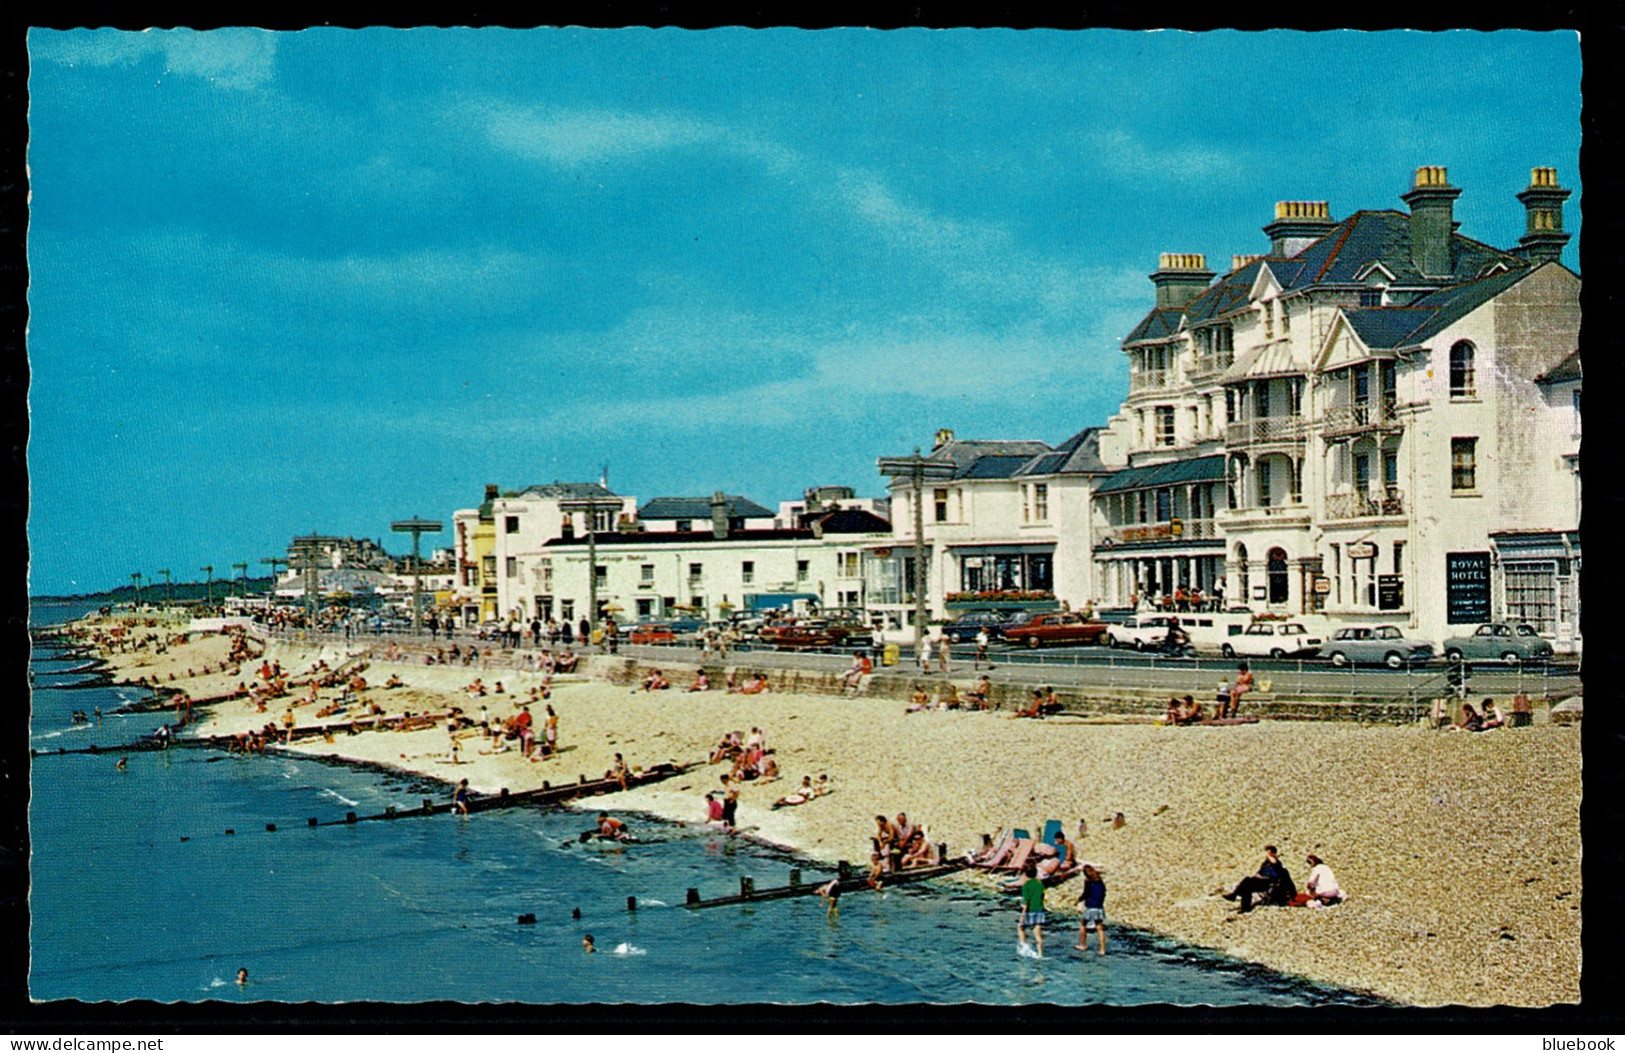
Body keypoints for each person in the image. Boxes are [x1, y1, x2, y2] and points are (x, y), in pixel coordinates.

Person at [1223, 845, 1297, 913]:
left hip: (1269, 882)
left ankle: (1234, 895)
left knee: (1247, 881)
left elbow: (1274, 863)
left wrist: (1270, 855)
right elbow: (1259, 872)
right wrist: (1257, 876)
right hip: (1261, 881)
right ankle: (1245, 907)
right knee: (1247, 885)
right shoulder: (1265, 864)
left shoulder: (1276, 863)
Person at [1076, 864, 1107, 956]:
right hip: (1099, 907)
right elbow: (1103, 892)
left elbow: (1085, 893)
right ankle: (1102, 949)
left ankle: (1083, 944)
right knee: (1100, 928)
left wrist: (1078, 900)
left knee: (1083, 924)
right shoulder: (1100, 881)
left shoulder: (1088, 882)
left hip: (1090, 907)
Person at [1018, 862, 1047, 957]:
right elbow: (1042, 896)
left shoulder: (1026, 885)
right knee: (1037, 933)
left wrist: (1023, 915)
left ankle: (1024, 947)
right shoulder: (1040, 884)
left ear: (1025, 874)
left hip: (1030, 911)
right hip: (1040, 910)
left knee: (1021, 928)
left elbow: (1026, 901)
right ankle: (1040, 953)